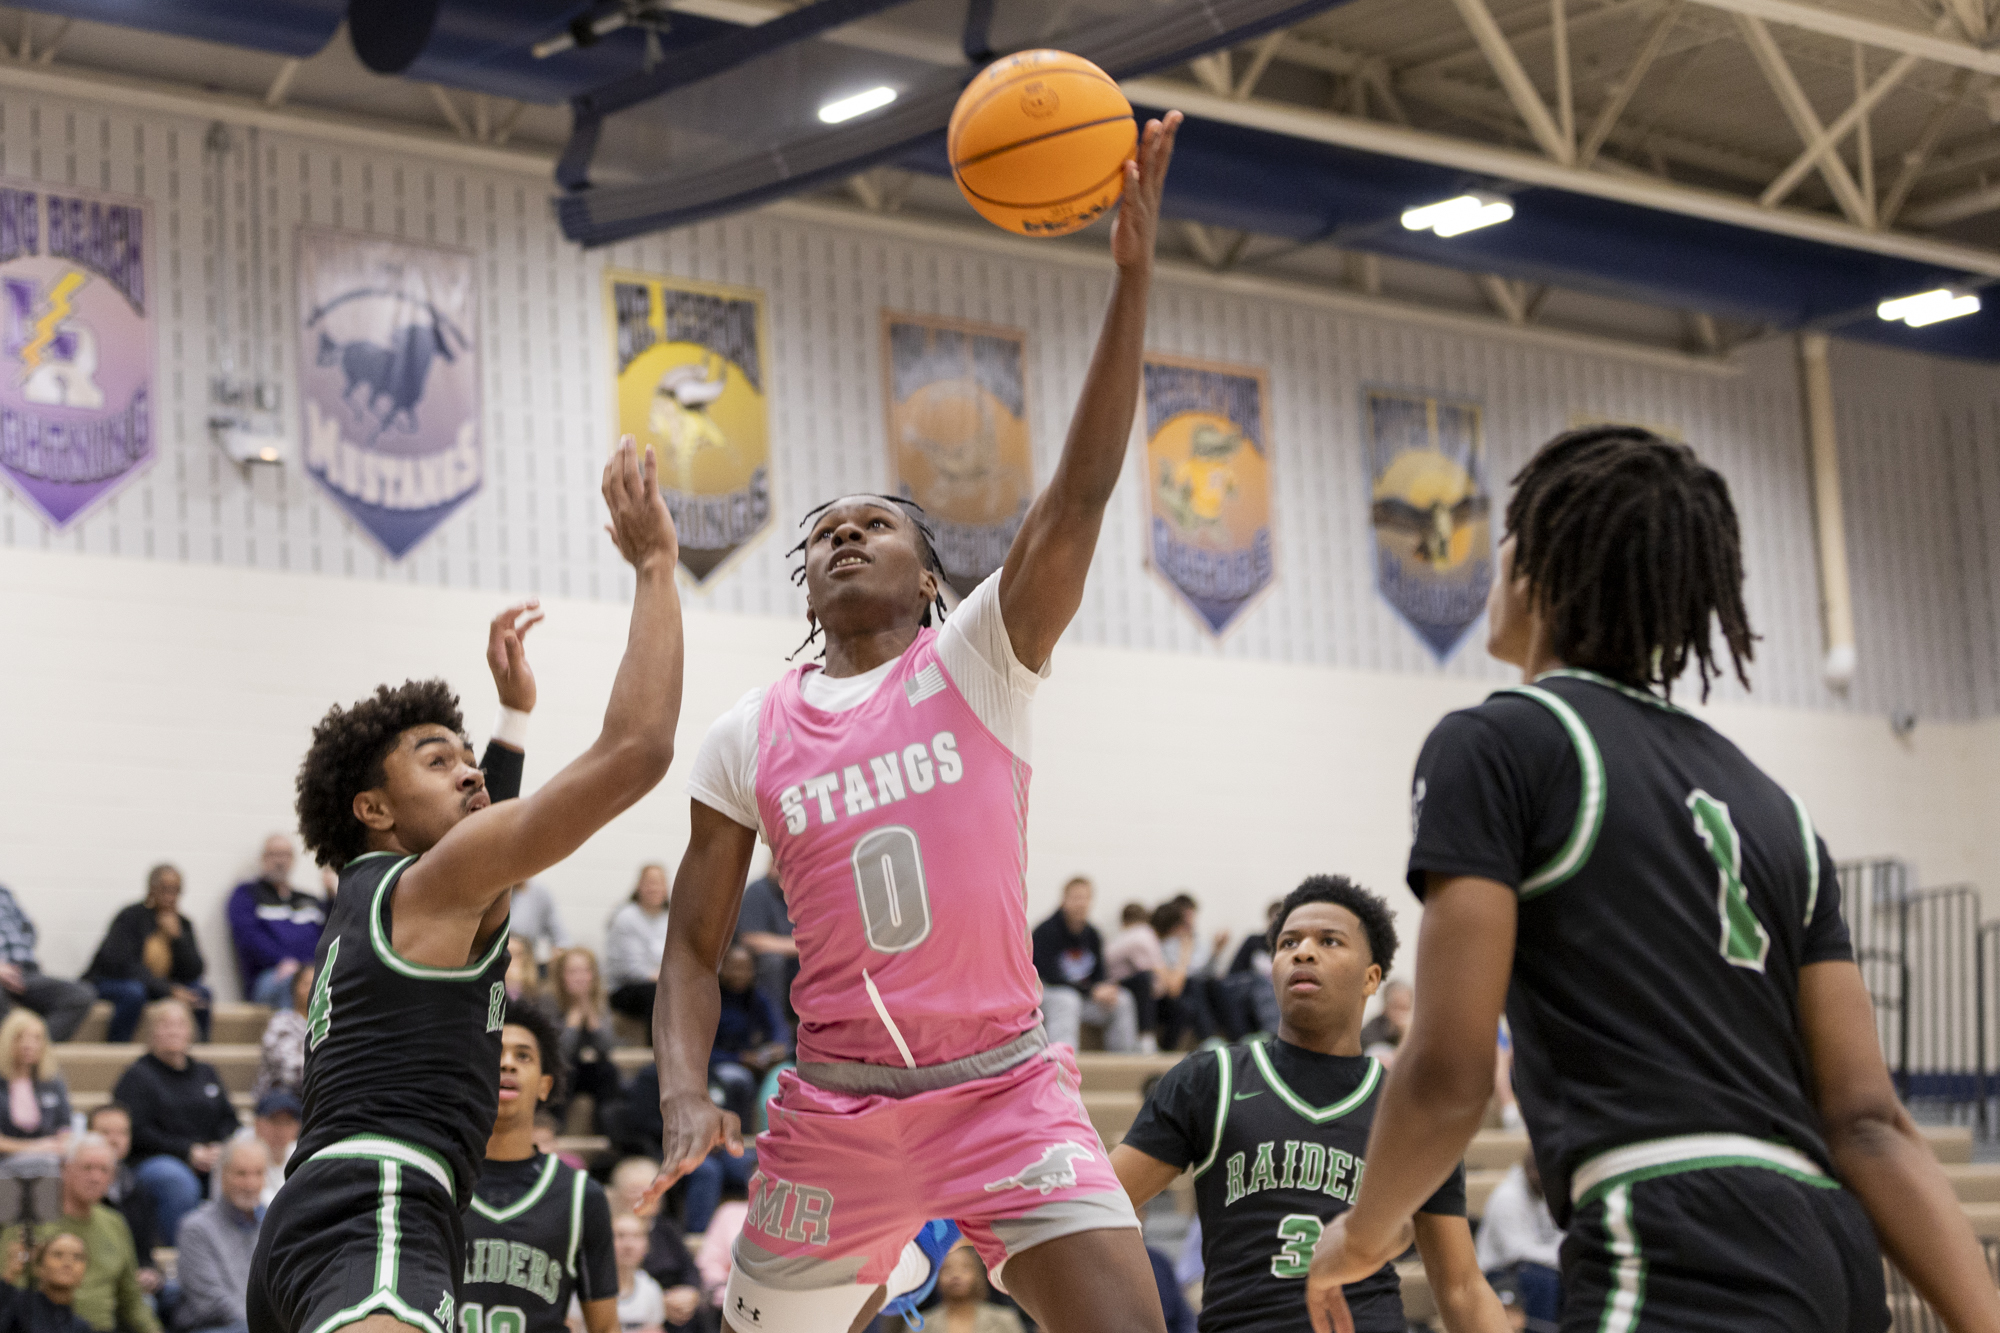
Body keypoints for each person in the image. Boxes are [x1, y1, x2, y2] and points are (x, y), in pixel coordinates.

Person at [651, 110, 1181, 1333]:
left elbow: (1084, 488)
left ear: (931, 576)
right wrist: (685, 1087)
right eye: (822, 529)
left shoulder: (980, 657)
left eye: (873, 522)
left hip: (1005, 1089)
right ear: (802, 581)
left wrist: (1131, 278)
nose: (842, 531)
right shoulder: (746, 733)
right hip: (837, 1109)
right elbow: (691, 945)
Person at [1305, 427, 2000, 1333]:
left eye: (1508, 535)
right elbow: (1869, 1123)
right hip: (1834, 1254)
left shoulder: (1500, 741)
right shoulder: (1776, 808)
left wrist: (1364, 1232)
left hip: (1673, 1233)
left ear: (1540, 561)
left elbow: (1446, 1072)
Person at [246, 452, 683, 1333]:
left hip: (336, 1217)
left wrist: (512, 723)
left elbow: (490, 856)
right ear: (371, 807)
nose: (470, 772)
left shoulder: (378, 899)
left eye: (469, 758)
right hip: (378, 1208)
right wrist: (655, 566)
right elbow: (639, 747)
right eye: (438, 760)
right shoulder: (424, 885)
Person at [1112, 876, 1506, 1333]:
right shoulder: (1211, 1078)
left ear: (1371, 977)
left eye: (1329, 941)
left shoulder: (1408, 1108)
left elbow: (1461, 1287)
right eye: (1288, 942)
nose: (1302, 952)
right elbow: (1099, 1208)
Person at [461, 1002, 616, 1333]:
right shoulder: (438, 1183)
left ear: (545, 1085)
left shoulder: (580, 1196)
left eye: (523, 1056)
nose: (507, 1064)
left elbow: (604, 1328)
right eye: (496, 1052)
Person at [109, 1000, 239, 1243]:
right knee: (176, 1180)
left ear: (191, 1031)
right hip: (155, 1161)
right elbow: (136, 1131)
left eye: (180, 1024)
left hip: (211, 1157)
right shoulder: (137, 1076)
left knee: (246, 1168)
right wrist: (188, 1152)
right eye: (165, 1025)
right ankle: (184, 1254)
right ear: (151, 1032)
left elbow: (229, 1120)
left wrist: (219, 1147)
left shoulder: (206, 1072)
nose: (173, 1031)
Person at [4, 1135, 159, 1333]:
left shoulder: (115, 1223)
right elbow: (9, 1286)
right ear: (64, 1169)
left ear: (112, 1178)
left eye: (104, 1170)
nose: (95, 1178)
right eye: (87, 1168)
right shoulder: (29, 1220)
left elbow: (132, 1300)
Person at [84, 868, 212, 1044]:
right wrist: (168, 990)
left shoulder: (183, 924)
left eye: (176, 890)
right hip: (113, 981)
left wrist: (178, 940)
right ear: (151, 889)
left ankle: (199, 1055)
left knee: (202, 994)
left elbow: (195, 970)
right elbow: (121, 965)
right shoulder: (131, 917)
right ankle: (117, 1048)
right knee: (134, 993)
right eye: (165, 889)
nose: (170, 896)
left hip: (156, 986)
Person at [1032, 877, 1138, 1054]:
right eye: (1076, 898)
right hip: (1050, 995)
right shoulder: (1044, 932)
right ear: (1064, 900)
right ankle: (1063, 1065)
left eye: (1085, 898)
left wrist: (1103, 989)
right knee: (1068, 1000)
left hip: (1084, 996)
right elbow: (1049, 976)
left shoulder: (1093, 934)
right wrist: (1091, 990)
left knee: (1123, 1000)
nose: (1081, 903)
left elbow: (1099, 975)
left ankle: (1123, 1063)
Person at [172, 1138, 267, 1333]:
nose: (250, 1183)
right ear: (222, 1176)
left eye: (258, 1173)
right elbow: (211, 1303)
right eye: (241, 1174)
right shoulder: (196, 1228)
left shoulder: (273, 1225)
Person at [225, 836, 325, 1011]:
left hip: (311, 971)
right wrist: (282, 961)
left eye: (285, 855)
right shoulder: (246, 894)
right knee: (296, 984)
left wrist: (332, 898)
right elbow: (249, 938)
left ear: (293, 860)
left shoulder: (309, 899)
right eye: (274, 854)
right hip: (271, 976)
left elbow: (331, 935)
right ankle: (293, 1037)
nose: (280, 861)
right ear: (263, 859)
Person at [602, 1160, 703, 1327]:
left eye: (652, 1189)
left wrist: (690, 1293)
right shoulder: (608, 1231)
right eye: (635, 1190)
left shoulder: (668, 1228)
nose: (645, 1195)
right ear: (619, 1196)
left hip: (676, 1307)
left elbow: (689, 1269)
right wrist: (659, 1300)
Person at [79, 1108, 159, 1303]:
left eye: (123, 1132)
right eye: (105, 1132)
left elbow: (143, 1253)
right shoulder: (68, 1189)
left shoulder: (137, 1188)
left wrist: (151, 1273)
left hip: (129, 1283)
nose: (115, 1140)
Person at [1473, 1153, 1561, 1329]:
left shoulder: (1550, 1194)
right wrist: (1561, 1257)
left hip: (1537, 1268)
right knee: (1542, 1280)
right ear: (1530, 1171)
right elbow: (1517, 1252)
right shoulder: (1506, 1196)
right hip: (1498, 1273)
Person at [708, 947, 788, 1133]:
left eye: (746, 969)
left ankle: (772, 1134)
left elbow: (778, 1028)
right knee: (739, 1078)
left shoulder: (755, 996)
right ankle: (739, 1135)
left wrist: (777, 1046)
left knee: (784, 1074)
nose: (740, 974)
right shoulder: (710, 998)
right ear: (722, 968)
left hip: (752, 1061)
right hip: (718, 1063)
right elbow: (698, 1053)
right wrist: (739, 1059)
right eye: (734, 968)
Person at [0, 887, 94, 1043]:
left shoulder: (4, 893)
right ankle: (6, 1055)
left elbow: (28, 929)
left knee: (81, 994)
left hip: (26, 972)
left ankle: (37, 1047)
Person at [544, 948, 621, 1126]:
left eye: (585, 971)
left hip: (590, 1069)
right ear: (561, 977)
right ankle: (555, 1126)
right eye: (573, 972)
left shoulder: (600, 1003)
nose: (580, 978)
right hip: (563, 1069)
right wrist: (573, 1022)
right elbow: (559, 1053)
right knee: (562, 1072)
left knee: (608, 1071)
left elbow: (608, 1049)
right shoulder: (549, 1002)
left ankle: (606, 1127)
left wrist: (593, 1020)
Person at [0, 1011, 72, 1181]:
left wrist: (62, 1144)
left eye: (36, 1038)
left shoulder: (53, 1081)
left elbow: (65, 1127)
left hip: (48, 1162)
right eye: (20, 1037)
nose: (28, 1045)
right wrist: (36, 1147)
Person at [605, 868, 672, 1025]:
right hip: (626, 987)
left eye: (659, 884)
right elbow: (631, 969)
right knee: (657, 994)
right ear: (638, 887)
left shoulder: (671, 917)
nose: (654, 889)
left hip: (663, 983)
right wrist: (667, 978)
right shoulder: (626, 917)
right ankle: (656, 1048)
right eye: (650, 884)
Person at [731, 873, 796, 1022]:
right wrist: (799, 946)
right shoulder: (757, 891)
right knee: (773, 961)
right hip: (764, 961)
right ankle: (777, 1027)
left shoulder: (802, 892)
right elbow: (751, 938)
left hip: (795, 960)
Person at [1102, 904, 1163, 1054]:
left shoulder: (1121, 937)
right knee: (1145, 981)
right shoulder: (1143, 934)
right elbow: (1157, 974)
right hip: (1111, 985)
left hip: (1109, 982)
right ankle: (1146, 1037)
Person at [924, 1245, 1023, 1333]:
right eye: (947, 1269)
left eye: (965, 1268)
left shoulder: (1005, 1319)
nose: (956, 1275)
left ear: (977, 1273)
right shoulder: (920, 1325)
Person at [9, 1233, 96, 1333]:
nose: (68, 1263)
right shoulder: (18, 1305)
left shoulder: (81, 1327)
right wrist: (10, 1274)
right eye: (58, 1255)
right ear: (39, 1267)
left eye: (77, 1257)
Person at [250, 967, 313, 1100]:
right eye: (307, 984)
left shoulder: (329, 1024)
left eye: (318, 985)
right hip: (279, 1096)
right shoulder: (282, 1022)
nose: (313, 990)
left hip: (314, 1094)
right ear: (295, 989)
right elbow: (291, 1073)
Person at [612, 1216, 668, 1333]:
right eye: (620, 1235)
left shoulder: (651, 1289)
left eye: (636, 1236)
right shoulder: (587, 1288)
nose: (628, 1245)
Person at [248, 1091, 301, 1205]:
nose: (281, 1130)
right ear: (257, 1123)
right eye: (274, 1121)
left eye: (287, 1122)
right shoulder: (241, 1153)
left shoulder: (301, 1155)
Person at [507, 882, 571, 969]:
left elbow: (561, 939)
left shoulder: (539, 894)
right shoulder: (494, 890)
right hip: (494, 957)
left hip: (527, 961)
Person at [1354, 980, 1408, 1064]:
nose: (1400, 1014)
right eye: (1396, 1007)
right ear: (1385, 1007)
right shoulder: (1370, 1033)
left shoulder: (1415, 1031)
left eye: (1405, 1008)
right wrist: (1404, 1037)